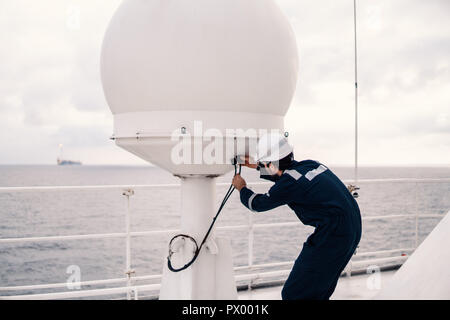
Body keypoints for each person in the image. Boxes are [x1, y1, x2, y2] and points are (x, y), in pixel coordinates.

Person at [232, 133, 362, 300]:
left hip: (334, 234)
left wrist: (242, 188)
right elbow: (287, 177)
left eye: (265, 163)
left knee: (294, 293)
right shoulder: (310, 164)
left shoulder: (289, 183)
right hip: (352, 226)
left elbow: (257, 204)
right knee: (318, 291)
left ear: (270, 163)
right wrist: (258, 166)